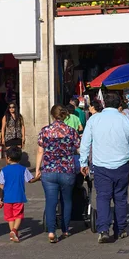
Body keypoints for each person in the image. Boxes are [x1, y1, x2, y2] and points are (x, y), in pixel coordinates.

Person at [80, 92, 129, 244]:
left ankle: (103, 230)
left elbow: (85, 142)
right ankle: (120, 229)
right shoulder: (126, 120)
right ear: (119, 104)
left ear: (104, 104)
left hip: (101, 165)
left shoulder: (94, 119)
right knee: (120, 198)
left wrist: (83, 163)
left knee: (103, 197)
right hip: (122, 165)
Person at [36, 104, 81, 243]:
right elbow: (79, 149)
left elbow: (40, 151)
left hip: (49, 170)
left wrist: (38, 169)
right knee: (66, 200)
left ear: (52, 115)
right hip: (67, 170)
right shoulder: (71, 131)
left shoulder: (45, 131)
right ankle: (66, 229)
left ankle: (51, 231)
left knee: (50, 201)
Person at [0, 146, 35, 242]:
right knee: (18, 216)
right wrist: (38, 177)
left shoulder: (4, 170)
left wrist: (1, 198)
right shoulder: (23, 169)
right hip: (18, 197)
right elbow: (30, 180)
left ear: (8, 158)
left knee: (10, 217)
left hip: (7, 198)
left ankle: (12, 232)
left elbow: (1, 186)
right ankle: (14, 231)